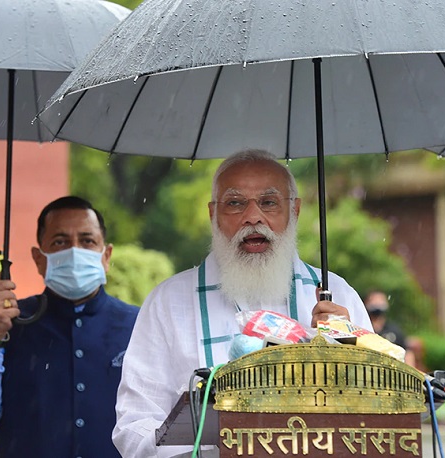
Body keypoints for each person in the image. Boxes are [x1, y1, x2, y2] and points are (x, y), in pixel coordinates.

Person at [112, 149, 373, 457]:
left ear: (295, 210)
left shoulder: (336, 294)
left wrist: (349, 356)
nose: (253, 217)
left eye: (269, 202)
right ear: (213, 213)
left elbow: (379, 413)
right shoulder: (168, 302)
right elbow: (135, 425)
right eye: (235, 203)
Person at [0, 196, 139, 458]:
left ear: (106, 256)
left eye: (87, 241)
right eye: (60, 242)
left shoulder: (139, 325)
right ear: (39, 258)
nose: (74, 251)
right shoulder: (0, 324)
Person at [364, 290, 417, 368]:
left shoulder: (394, 331)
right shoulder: (362, 329)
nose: (377, 304)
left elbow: (407, 353)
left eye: (381, 300)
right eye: (374, 301)